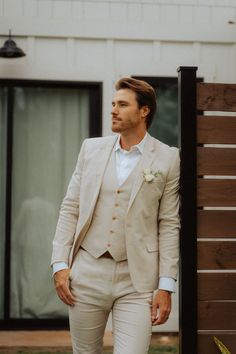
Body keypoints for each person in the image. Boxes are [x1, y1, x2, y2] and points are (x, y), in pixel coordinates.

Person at [51, 77, 180, 354]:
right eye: (113, 104)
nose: (113, 110)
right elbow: (70, 207)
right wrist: (59, 264)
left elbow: (169, 224)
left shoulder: (168, 159)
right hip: (87, 271)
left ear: (144, 111)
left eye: (122, 104)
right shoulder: (91, 149)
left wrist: (166, 285)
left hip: (137, 279)